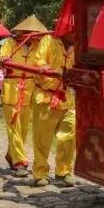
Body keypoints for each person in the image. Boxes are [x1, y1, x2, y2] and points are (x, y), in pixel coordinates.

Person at [0, 16, 48, 177]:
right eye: (30, 33)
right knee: (14, 126)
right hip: (12, 90)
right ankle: (20, 161)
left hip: (30, 91)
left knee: (24, 129)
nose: (33, 36)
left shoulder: (39, 47)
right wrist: (3, 59)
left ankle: (11, 155)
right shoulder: (10, 44)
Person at [30, 30, 77, 187]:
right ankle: (40, 172)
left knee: (69, 135)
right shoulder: (48, 40)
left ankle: (63, 171)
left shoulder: (77, 46)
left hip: (66, 97)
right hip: (46, 96)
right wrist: (50, 70)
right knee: (42, 139)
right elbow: (39, 61)